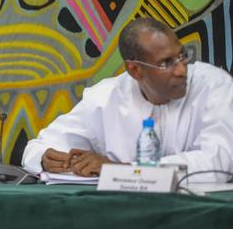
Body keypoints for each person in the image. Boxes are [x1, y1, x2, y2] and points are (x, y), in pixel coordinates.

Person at [22, 17, 233, 181]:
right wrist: (45, 158)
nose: (181, 69)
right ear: (135, 70)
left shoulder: (214, 86)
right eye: (166, 63)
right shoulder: (105, 98)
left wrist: (124, 171)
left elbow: (219, 162)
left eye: (182, 55)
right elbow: (39, 146)